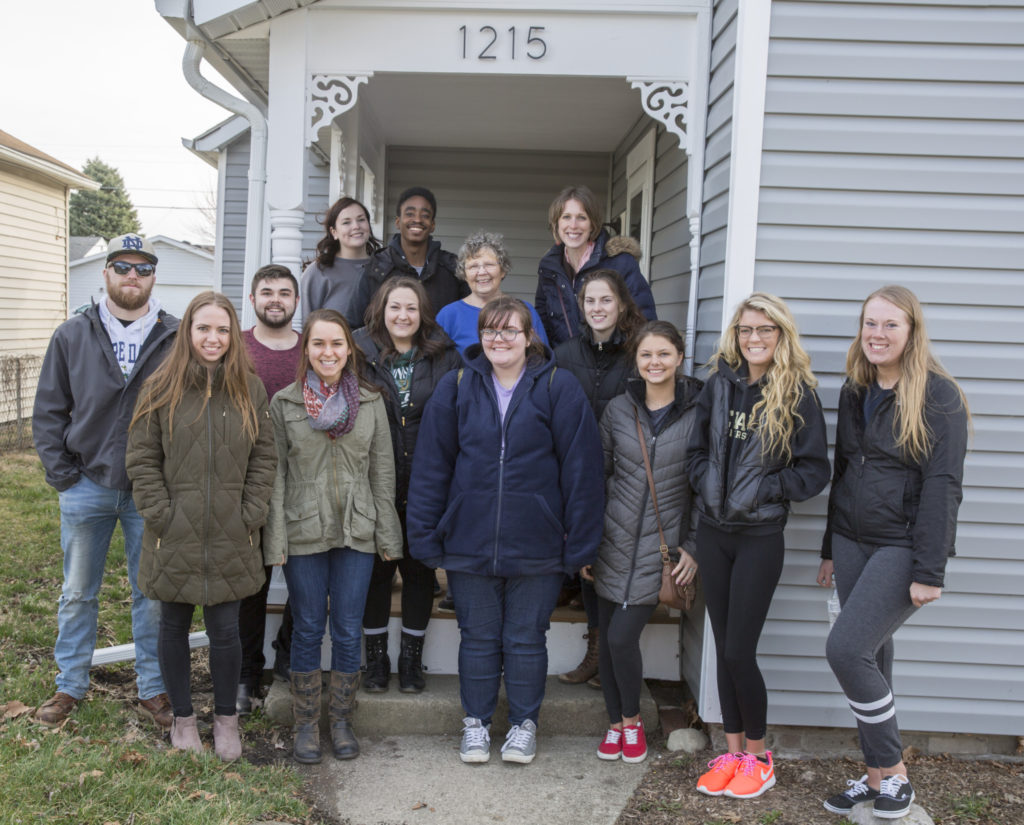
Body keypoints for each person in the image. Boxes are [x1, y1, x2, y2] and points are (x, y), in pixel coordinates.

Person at [407, 296, 604, 765]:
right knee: (476, 637)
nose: (499, 340)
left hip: (537, 541)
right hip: (469, 539)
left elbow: (582, 470)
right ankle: (474, 725)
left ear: (529, 335)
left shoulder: (559, 386)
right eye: (491, 331)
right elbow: (433, 466)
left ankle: (523, 726)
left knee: (524, 638)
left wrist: (579, 543)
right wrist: (426, 533)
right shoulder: (456, 386)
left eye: (509, 331)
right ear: (480, 338)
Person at [817, 286, 969, 820]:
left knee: (846, 650)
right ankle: (877, 777)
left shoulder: (938, 396)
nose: (877, 334)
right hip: (852, 541)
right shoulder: (856, 389)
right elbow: (842, 473)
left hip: (902, 544)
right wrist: (828, 547)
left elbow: (943, 486)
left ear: (911, 332)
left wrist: (930, 569)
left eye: (890, 325)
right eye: (870, 323)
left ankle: (896, 774)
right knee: (873, 655)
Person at [32, 233, 178, 730]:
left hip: (149, 488)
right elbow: (49, 411)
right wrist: (64, 477)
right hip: (86, 483)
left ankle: (153, 687)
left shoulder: (174, 336)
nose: (132, 277)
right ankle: (70, 685)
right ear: (106, 274)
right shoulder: (73, 334)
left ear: (154, 276)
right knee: (77, 592)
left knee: (151, 592)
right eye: (122, 267)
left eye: (143, 268)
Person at [687, 293, 830, 799]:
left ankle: (760, 757)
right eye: (746, 329)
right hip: (713, 533)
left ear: (781, 335)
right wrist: (704, 481)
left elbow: (815, 470)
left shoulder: (797, 393)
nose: (754, 339)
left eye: (764, 330)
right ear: (736, 334)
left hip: (760, 538)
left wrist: (766, 489)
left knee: (740, 650)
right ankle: (731, 753)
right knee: (724, 649)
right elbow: (696, 449)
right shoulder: (719, 385)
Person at [126, 292, 276, 760]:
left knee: (226, 630)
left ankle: (226, 720)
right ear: (188, 332)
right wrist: (161, 513)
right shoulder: (159, 387)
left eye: (223, 330)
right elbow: (142, 457)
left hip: (232, 530)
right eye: (203, 329)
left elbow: (265, 457)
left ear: (234, 336)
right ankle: (185, 721)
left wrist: (249, 512)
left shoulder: (250, 389)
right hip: (174, 531)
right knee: (172, 625)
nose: (213, 338)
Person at [264, 309, 402, 764]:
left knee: (346, 628)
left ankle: (340, 720)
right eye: (319, 344)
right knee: (307, 626)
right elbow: (277, 474)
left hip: (357, 528)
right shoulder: (285, 404)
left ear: (349, 349)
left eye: (337, 344)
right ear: (307, 350)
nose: (328, 352)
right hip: (304, 528)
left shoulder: (371, 401)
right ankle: (306, 724)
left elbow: (383, 470)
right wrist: (276, 538)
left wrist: (387, 533)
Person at [587, 321, 702, 764]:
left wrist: (692, 545)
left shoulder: (698, 413)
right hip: (610, 541)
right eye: (646, 355)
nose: (654, 363)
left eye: (663, 355)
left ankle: (631, 721)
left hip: (662, 548)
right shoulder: (618, 409)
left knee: (619, 640)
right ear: (635, 361)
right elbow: (599, 476)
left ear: (678, 357)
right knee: (610, 639)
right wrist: (587, 540)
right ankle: (615, 725)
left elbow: (705, 490)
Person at [355, 278, 463, 693]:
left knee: (419, 574)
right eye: (395, 307)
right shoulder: (359, 351)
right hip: (373, 480)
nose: (403, 316)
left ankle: (411, 662)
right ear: (381, 309)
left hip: (428, 480)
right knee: (377, 574)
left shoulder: (444, 356)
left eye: (412, 308)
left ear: (423, 314)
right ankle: (376, 661)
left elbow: (457, 415)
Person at [554, 269, 647, 688]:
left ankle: (607, 651)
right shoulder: (564, 354)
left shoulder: (638, 354)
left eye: (605, 300)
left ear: (622, 304)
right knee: (586, 558)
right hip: (574, 471)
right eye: (590, 301)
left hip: (625, 476)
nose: (597, 308)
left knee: (610, 563)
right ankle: (596, 651)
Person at [238, 264, 304, 713]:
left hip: (304, 481)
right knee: (251, 583)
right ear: (253, 300)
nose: (275, 299)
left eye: (284, 292)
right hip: (248, 480)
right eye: (267, 292)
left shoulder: (311, 349)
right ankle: (246, 674)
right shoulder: (235, 348)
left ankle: (287, 654)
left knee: (307, 579)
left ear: (297, 302)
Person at [535, 184, 657, 348]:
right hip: (565, 365)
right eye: (566, 217)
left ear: (593, 224)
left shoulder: (620, 263)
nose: (573, 225)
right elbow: (543, 324)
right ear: (556, 224)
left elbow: (644, 319)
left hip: (613, 364)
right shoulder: (549, 268)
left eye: (581, 217)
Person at [346, 187, 468, 329]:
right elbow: (353, 327)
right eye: (410, 214)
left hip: (441, 350)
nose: (417, 219)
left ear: (432, 225)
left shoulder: (452, 269)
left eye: (425, 215)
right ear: (398, 222)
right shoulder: (377, 268)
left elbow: (469, 321)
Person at [436, 230, 547, 355]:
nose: (482, 272)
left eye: (489, 264)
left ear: (503, 270)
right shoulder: (448, 316)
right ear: (464, 274)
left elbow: (541, 359)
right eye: (473, 266)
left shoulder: (525, 310)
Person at [300, 196, 382, 325]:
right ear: (334, 232)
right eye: (346, 222)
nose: (356, 226)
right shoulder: (317, 272)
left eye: (361, 220)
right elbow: (305, 325)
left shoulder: (384, 267)